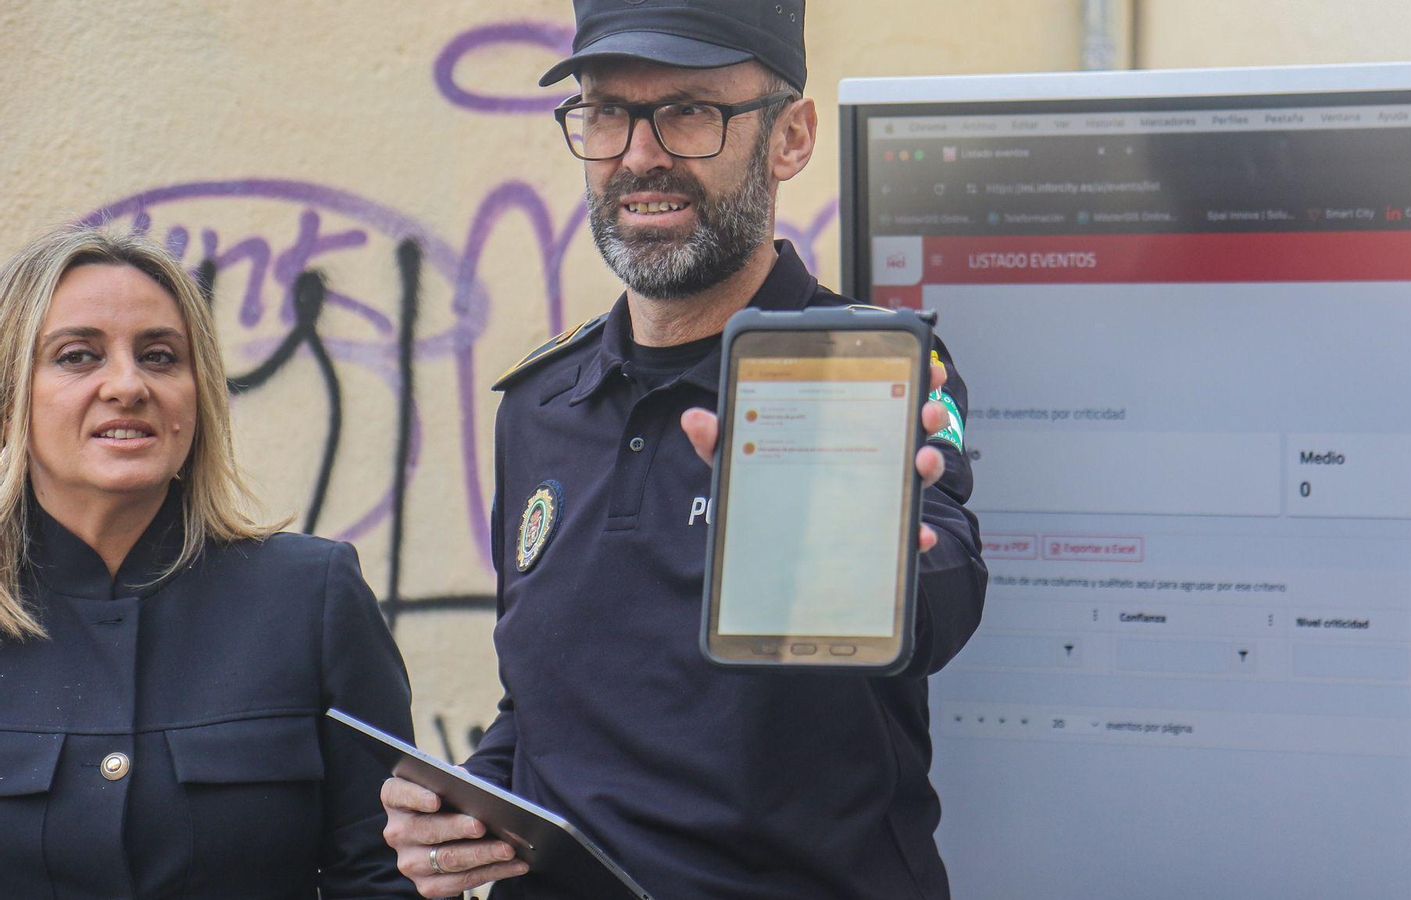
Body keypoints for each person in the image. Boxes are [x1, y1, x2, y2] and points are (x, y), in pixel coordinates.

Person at [380, 1, 987, 897]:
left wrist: (845, 539)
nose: (639, 155)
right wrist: (472, 806)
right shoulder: (542, 404)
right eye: (607, 112)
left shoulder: (865, 371)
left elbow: (944, 600)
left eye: (690, 111)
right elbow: (544, 707)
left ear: (790, 139)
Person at [0, 226, 421, 899]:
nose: (128, 385)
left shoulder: (308, 597)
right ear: (10, 396)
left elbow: (387, 872)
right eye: (78, 356)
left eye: (160, 356)